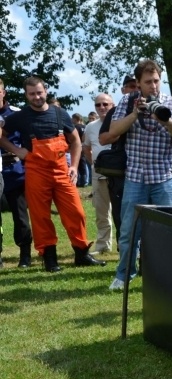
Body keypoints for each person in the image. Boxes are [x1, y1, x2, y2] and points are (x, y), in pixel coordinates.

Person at [0, 76, 106, 272]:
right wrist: (17, 151)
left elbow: (75, 141)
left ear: (46, 91)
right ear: (26, 95)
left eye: (39, 92)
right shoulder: (20, 117)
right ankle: (49, 258)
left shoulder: (60, 114)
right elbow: (2, 135)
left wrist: (74, 166)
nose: (37, 97)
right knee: (41, 217)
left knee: (76, 212)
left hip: (61, 171)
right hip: (35, 172)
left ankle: (81, 253)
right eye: (32, 94)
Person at [107, 59, 172, 290]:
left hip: (166, 177)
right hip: (135, 176)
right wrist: (135, 114)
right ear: (139, 84)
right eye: (148, 82)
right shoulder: (126, 101)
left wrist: (166, 121)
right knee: (129, 231)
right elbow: (112, 133)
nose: (153, 86)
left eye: (156, 80)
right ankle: (123, 275)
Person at [97, 73, 139, 245]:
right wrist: (122, 127)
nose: (134, 89)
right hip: (122, 170)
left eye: (137, 85)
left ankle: (147, 252)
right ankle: (126, 252)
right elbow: (103, 138)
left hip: (149, 169)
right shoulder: (115, 111)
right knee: (121, 212)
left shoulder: (157, 107)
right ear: (123, 90)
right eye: (130, 86)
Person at [0, 77, 33, 268]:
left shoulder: (17, 114)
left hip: (14, 171)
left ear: (3, 92)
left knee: (20, 217)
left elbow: (29, 141)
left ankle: (25, 255)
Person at [82, 93, 116, 254]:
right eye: (98, 105)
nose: (102, 107)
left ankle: (127, 246)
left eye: (105, 104)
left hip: (120, 174)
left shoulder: (119, 123)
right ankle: (103, 244)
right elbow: (85, 148)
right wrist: (94, 163)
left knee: (123, 212)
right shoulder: (90, 127)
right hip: (99, 174)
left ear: (112, 105)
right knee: (101, 211)